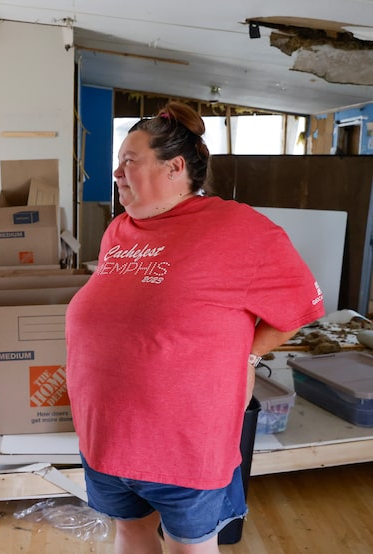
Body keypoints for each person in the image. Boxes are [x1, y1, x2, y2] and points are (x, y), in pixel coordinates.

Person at [65, 101, 324, 554]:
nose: (117, 174)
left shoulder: (240, 229)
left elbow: (301, 307)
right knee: (130, 531)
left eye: (129, 162)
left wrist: (248, 356)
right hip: (106, 437)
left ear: (175, 167)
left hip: (183, 446)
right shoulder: (118, 230)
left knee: (191, 546)